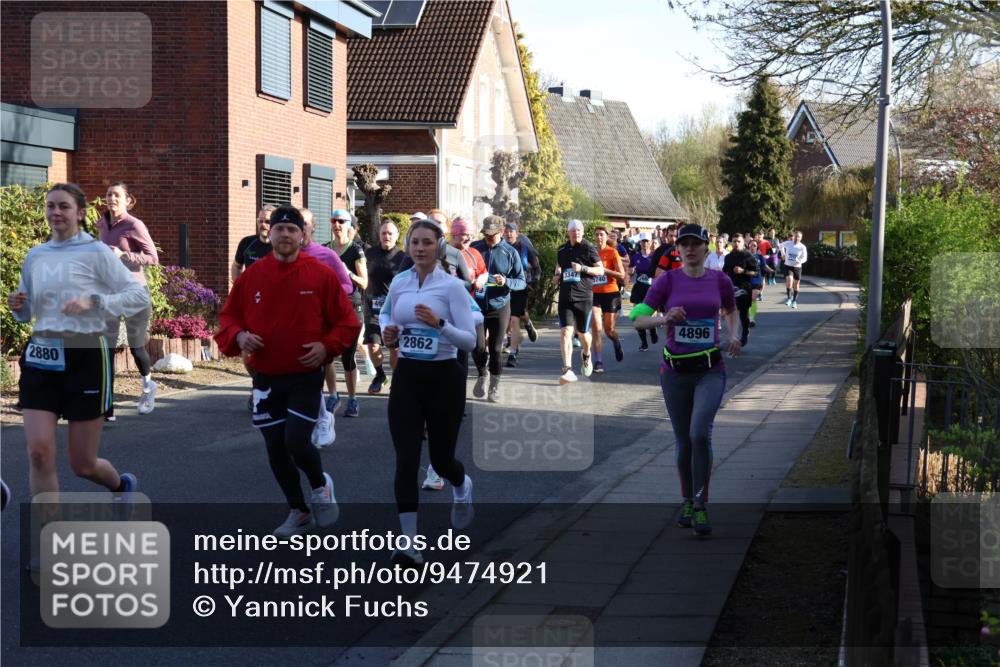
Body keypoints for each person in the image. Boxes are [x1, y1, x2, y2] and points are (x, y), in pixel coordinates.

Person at [215, 205, 359, 537]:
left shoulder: (320, 274)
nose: (285, 235)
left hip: (305, 374)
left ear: (302, 235)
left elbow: (347, 322)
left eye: (292, 230)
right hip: (265, 376)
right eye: (279, 229)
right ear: (271, 234)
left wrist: (326, 346)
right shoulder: (252, 275)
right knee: (275, 447)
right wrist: (239, 336)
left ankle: (320, 485)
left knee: (296, 440)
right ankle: (299, 510)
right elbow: (229, 317)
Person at [8, 184, 148, 508]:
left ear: (80, 213)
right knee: (39, 453)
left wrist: (94, 301)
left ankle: (120, 485)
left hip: (86, 357)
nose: (56, 212)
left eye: (64, 206)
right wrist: (19, 306)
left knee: (82, 464)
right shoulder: (36, 255)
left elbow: (138, 296)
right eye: (51, 206)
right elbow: (27, 312)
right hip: (41, 355)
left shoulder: (96, 252)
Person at [629, 223, 741, 536]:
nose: (690, 249)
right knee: (683, 441)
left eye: (696, 243)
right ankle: (687, 501)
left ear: (706, 248)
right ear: (677, 249)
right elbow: (637, 318)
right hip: (675, 373)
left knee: (699, 434)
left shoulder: (720, 280)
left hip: (710, 370)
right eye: (684, 244)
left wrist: (734, 335)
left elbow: (732, 311)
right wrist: (663, 318)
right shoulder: (667, 281)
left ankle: (701, 504)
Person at [378, 220, 478, 566]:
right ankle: (409, 542)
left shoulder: (452, 287)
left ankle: (461, 485)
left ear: (439, 247)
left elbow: (470, 340)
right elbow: (387, 314)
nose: (420, 248)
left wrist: (439, 324)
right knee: (406, 459)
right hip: (407, 375)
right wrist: (388, 332)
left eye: (427, 243)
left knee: (441, 460)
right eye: (415, 242)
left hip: (444, 377)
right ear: (408, 247)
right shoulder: (400, 282)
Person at [97, 181, 159, 419]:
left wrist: (123, 255)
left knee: (136, 347)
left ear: (128, 200)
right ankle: (108, 405)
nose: (111, 199)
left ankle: (148, 386)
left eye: (116, 195)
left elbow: (152, 258)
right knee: (107, 349)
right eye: (109, 194)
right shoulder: (102, 224)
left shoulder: (134, 225)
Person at [299, 208, 353, 447]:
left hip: (318, 323)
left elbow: (347, 285)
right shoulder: (282, 255)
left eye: (304, 224)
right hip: (290, 323)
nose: (300, 229)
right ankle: (317, 417)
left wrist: (323, 296)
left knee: (311, 371)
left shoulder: (326, 255)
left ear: (313, 227)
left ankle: (321, 418)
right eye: (296, 224)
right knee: (297, 376)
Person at [470, 216, 526, 402]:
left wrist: (506, 281)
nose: (488, 237)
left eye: (492, 234)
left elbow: (521, 281)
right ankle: (482, 373)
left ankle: (494, 387)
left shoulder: (510, 252)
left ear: (501, 232)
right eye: (485, 234)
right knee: (477, 346)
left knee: (495, 349)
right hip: (476, 306)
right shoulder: (475, 248)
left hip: (500, 306)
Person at [326, 209, 368, 418]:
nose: (337, 224)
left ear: (349, 225)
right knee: (326, 355)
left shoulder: (356, 251)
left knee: (348, 356)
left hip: (351, 307)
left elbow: (364, 282)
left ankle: (352, 399)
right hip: (329, 307)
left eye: (341, 221)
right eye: (334, 220)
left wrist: (347, 272)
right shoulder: (325, 249)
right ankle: (333, 395)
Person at [554, 220, 604, 384]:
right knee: (566, 332)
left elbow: (600, 270)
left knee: (583, 333)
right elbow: (559, 267)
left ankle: (587, 354)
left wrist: (582, 268)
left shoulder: (588, 248)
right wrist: (556, 275)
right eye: (573, 230)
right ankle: (567, 369)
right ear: (568, 233)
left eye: (579, 230)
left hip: (583, 297)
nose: (576, 233)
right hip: (565, 298)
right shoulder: (561, 250)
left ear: (582, 232)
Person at [363, 220, 404, 395]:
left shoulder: (402, 257)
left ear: (396, 236)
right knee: (372, 344)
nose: (386, 236)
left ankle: (397, 378)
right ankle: (380, 375)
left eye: (390, 233)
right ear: (379, 235)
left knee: (394, 348)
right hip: (372, 306)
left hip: (393, 309)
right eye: (383, 233)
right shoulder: (369, 253)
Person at [502, 222, 540, 367]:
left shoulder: (525, 248)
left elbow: (537, 268)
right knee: (512, 317)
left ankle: (513, 353)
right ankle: (528, 324)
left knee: (513, 319)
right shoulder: (499, 247)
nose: (508, 234)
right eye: (506, 232)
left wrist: (533, 282)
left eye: (511, 231)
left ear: (517, 234)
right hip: (502, 287)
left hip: (520, 287)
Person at [590, 227, 626, 372]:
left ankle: (616, 341)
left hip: (611, 294)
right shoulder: (591, 253)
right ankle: (598, 361)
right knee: (596, 328)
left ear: (606, 237)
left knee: (609, 330)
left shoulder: (612, 252)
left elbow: (622, 275)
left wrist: (604, 271)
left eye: (602, 235)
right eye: (597, 235)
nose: (599, 237)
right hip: (594, 294)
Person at [722, 235, 758, 347]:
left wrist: (743, 271)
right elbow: (724, 272)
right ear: (731, 243)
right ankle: (734, 337)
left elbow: (755, 273)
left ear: (743, 243)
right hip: (732, 288)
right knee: (733, 311)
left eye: (739, 241)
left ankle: (745, 332)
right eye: (734, 241)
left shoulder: (748, 256)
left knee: (743, 314)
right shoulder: (728, 257)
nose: (736, 243)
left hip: (745, 288)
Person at [628, 233, 659, 351]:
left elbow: (660, 272)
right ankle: (644, 343)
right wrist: (630, 272)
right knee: (637, 315)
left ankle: (652, 330)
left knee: (650, 315)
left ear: (650, 242)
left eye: (647, 241)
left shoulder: (655, 257)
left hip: (651, 289)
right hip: (639, 288)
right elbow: (630, 270)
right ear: (640, 243)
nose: (645, 244)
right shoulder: (635, 257)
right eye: (643, 241)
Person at [231, 205, 275, 281]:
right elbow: (236, 266)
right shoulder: (247, 242)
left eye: (267, 222)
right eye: (260, 221)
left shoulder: (280, 247)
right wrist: (238, 285)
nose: (263, 224)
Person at [779, 230, 808, 308]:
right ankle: (789, 298)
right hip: (788, 265)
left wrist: (800, 261)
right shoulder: (788, 243)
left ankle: (794, 301)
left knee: (796, 284)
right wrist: (783, 254)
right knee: (789, 280)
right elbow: (780, 246)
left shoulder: (802, 247)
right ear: (794, 236)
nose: (796, 238)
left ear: (801, 238)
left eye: (798, 237)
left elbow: (805, 258)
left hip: (797, 267)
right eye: (795, 236)